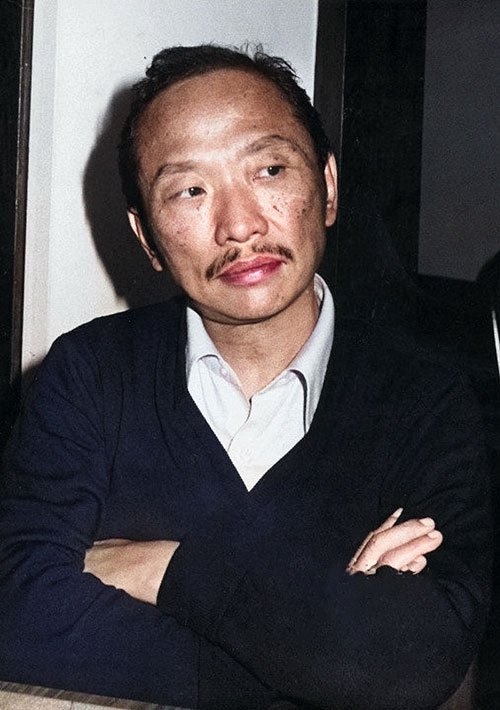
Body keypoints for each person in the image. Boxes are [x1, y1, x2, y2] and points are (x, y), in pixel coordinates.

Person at [0, 44, 491, 710]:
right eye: (190, 190)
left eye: (268, 170)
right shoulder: (88, 374)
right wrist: (324, 644)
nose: (239, 225)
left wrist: (160, 567)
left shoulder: (427, 400)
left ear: (328, 187)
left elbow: (414, 663)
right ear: (146, 239)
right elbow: (17, 614)